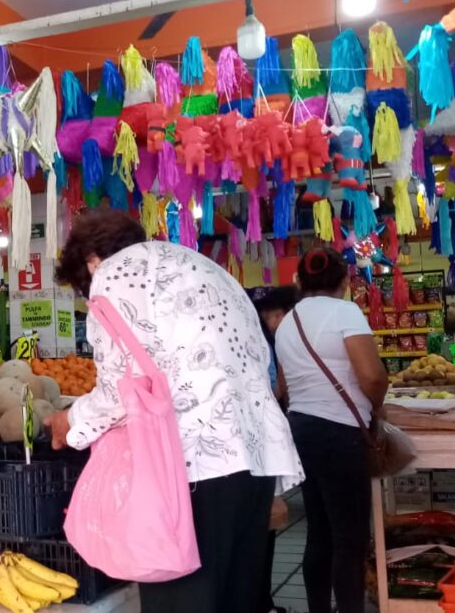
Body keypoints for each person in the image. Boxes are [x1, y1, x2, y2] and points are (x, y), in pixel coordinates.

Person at [46, 210, 304, 613]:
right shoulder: (204, 268)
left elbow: (119, 388)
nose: (88, 291)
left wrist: (71, 422)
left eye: (83, 281)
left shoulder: (114, 275)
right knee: (238, 597)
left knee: (183, 598)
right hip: (255, 459)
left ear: (93, 260)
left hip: (193, 467)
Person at [273, 248, 387, 613]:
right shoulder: (346, 312)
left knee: (319, 533)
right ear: (343, 281)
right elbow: (371, 375)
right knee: (349, 538)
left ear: (300, 282)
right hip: (340, 434)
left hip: (301, 431)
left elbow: (283, 389)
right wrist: (377, 405)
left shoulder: (288, 322)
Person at [252, 286, 298, 613]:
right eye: (268, 316)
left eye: (275, 315)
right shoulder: (266, 343)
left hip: (261, 440)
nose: (271, 322)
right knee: (260, 529)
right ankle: (261, 601)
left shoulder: (275, 342)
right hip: (259, 441)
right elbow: (276, 388)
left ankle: (261, 600)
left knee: (261, 529)